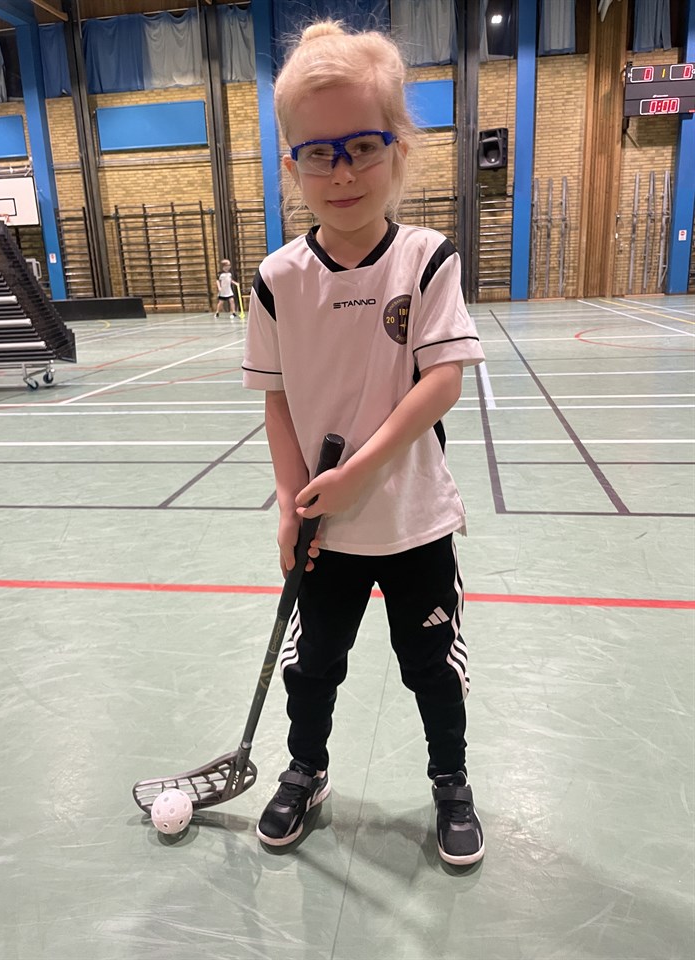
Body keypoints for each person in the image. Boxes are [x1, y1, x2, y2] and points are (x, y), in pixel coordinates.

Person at [242, 20, 486, 866]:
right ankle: (305, 770)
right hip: (327, 532)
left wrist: (357, 474)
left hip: (413, 520)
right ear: (291, 165)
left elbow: (442, 382)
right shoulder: (277, 280)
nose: (342, 173)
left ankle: (450, 781)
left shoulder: (427, 260)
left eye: (362, 147)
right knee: (312, 667)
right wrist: (291, 503)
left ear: (398, 149)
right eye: (318, 153)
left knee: (432, 667)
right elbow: (277, 402)